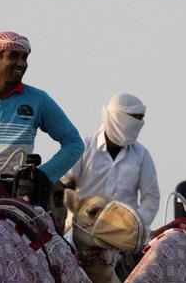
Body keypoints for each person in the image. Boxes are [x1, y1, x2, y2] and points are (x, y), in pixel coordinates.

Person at [0, 31, 83, 194]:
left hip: (21, 190)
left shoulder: (38, 99)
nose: (21, 63)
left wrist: (42, 175)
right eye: (13, 56)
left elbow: (74, 143)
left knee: (41, 219)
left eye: (24, 58)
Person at [62, 93, 159, 229]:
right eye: (134, 118)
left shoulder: (141, 155)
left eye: (141, 118)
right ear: (117, 117)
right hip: (82, 229)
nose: (139, 123)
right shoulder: (83, 148)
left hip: (124, 234)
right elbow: (63, 187)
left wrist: (136, 221)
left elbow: (151, 198)